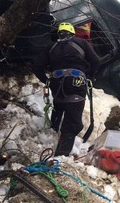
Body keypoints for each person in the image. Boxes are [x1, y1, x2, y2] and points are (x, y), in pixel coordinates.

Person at [32, 22, 100, 156]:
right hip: (76, 81)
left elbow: (36, 66)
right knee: (72, 117)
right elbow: (95, 61)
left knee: (59, 104)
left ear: (59, 34)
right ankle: (61, 154)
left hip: (57, 82)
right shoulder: (82, 43)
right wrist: (90, 76)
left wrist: (47, 81)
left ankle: (51, 134)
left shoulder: (51, 47)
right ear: (72, 33)